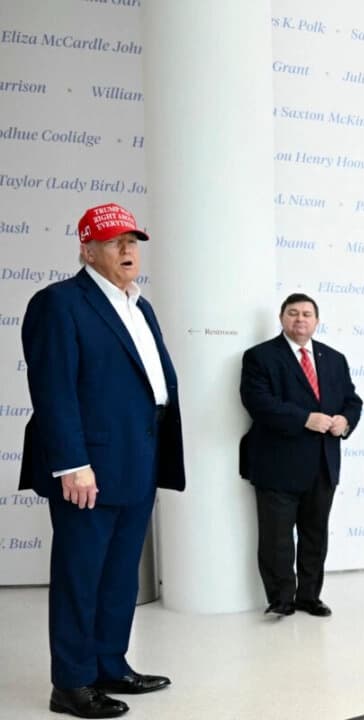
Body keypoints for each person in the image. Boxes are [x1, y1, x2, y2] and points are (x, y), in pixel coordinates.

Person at [19, 203, 185, 718]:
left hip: (139, 460)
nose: (128, 250)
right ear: (87, 250)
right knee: (79, 576)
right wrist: (72, 462)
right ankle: (70, 683)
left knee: (119, 577)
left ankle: (110, 664)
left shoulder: (140, 306)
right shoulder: (59, 303)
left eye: (133, 241)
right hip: (88, 467)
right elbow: (53, 390)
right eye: (116, 242)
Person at [240, 294, 363, 617]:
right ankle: (281, 599)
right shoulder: (260, 357)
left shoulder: (334, 359)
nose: (300, 319)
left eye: (307, 314)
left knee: (315, 536)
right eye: (293, 313)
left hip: (322, 464)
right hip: (277, 464)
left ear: (316, 321)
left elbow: (352, 400)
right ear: (281, 318)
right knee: (277, 538)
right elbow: (258, 402)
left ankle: (309, 596)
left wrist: (345, 421)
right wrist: (304, 419)